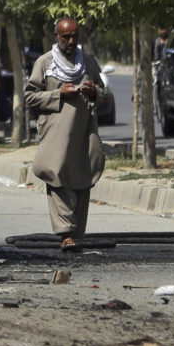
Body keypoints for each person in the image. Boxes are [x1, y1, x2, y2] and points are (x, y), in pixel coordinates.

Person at [25, 17, 105, 252]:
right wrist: (59, 93)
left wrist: (94, 92)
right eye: (65, 37)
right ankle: (65, 233)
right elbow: (30, 96)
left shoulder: (87, 62)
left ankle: (76, 233)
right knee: (56, 174)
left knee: (82, 177)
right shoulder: (45, 63)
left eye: (74, 37)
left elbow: (101, 92)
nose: (70, 41)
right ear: (56, 36)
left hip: (83, 131)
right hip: (56, 131)